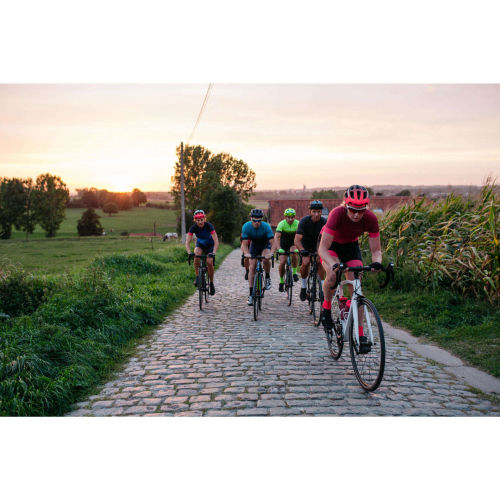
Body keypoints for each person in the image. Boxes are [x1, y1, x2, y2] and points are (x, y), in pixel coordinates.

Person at [318, 185, 382, 353]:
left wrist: (377, 262)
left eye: (361, 210)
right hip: (330, 245)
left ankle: (360, 334)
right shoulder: (337, 214)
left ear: (366, 208)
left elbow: (376, 251)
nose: (356, 215)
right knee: (333, 275)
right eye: (353, 209)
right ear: (346, 205)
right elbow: (323, 249)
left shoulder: (370, 219)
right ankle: (326, 309)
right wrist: (333, 264)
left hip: (351, 246)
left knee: (357, 287)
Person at [294, 200, 327, 301]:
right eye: (314, 211)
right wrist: (302, 250)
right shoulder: (304, 221)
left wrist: (322, 251)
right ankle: (303, 287)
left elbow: (327, 238)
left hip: (318, 245)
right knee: (306, 262)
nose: (316, 214)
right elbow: (297, 240)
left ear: (321, 212)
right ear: (310, 211)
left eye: (318, 212)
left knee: (319, 262)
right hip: (305, 245)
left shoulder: (324, 222)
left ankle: (322, 289)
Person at [241, 208, 275, 306]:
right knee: (252, 267)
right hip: (254, 245)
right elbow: (244, 244)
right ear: (251, 219)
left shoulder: (266, 227)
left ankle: (267, 277)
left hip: (265, 244)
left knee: (265, 259)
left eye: (259, 220)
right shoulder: (246, 226)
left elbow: (273, 243)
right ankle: (251, 294)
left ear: (261, 219)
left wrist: (271, 253)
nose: (257, 222)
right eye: (254, 220)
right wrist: (246, 253)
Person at [185, 209, 219, 295]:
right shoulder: (193, 228)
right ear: (195, 220)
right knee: (196, 255)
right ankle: (197, 277)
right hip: (200, 245)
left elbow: (216, 241)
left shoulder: (209, 226)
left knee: (209, 262)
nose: (200, 222)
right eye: (198, 220)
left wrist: (214, 252)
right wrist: (189, 252)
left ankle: (211, 283)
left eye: (201, 220)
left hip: (210, 245)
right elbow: (187, 242)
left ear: (204, 219)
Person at [275, 208, 299, 292]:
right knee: (282, 262)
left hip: (293, 243)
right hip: (283, 244)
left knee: (294, 253)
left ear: (294, 217)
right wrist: (279, 248)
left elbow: (301, 237)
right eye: (288, 217)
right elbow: (277, 237)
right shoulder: (281, 224)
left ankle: (294, 273)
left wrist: (299, 248)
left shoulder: (298, 223)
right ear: (285, 217)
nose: (290, 219)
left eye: (292, 217)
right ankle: (281, 281)